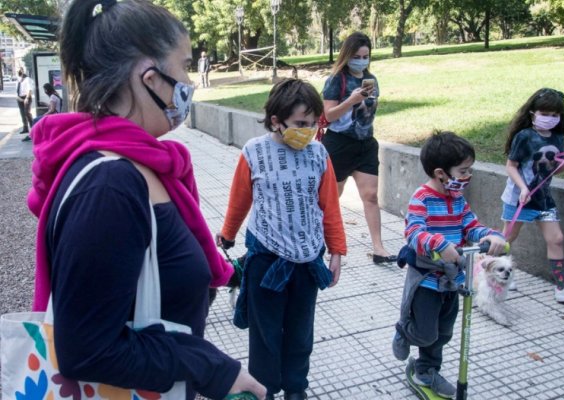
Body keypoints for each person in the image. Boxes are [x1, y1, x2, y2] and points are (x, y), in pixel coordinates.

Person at [26, 0, 266, 398]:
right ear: (149, 78)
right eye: (184, 65)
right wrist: (212, 368)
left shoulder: (138, 163)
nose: (190, 81)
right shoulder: (110, 187)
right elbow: (86, 349)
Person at [217, 78, 347, 400]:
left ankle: (295, 390)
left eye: (313, 123)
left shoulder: (319, 154)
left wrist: (336, 252)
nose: (308, 131)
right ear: (277, 121)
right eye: (301, 124)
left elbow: (329, 206)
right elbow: (239, 200)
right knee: (266, 336)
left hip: (307, 263)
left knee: (300, 335)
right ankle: (265, 391)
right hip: (266, 263)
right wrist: (227, 236)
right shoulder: (254, 153)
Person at [391, 131, 507, 399]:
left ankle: (426, 370)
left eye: (470, 170)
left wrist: (491, 236)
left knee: (443, 332)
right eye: (464, 171)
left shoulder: (458, 200)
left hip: (453, 280)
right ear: (441, 173)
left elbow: (472, 226)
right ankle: (404, 330)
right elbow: (414, 233)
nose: (468, 176)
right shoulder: (422, 199)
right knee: (424, 332)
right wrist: (439, 244)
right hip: (427, 280)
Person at [500, 88, 564, 303]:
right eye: (545, 113)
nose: (550, 119)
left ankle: (562, 287)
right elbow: (511, 166)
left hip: (543, 199)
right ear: (533, 112)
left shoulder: (558, 137)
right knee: (506, 239)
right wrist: (523, 188)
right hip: (519, 198)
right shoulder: (524, 136)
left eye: (555, 115)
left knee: (557, 239)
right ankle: (497, 277)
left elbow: (552, 170)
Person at [321, 32, 395, 265]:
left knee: (371, 196)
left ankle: (378, 248)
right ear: (347, 55)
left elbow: (370, 112)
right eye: (357, 56)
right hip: (339, 144)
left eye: (366, 56)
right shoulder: (336, 80)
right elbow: (328, 116)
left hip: (365, 145)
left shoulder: (371, 79)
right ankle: (325, 244)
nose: (362, 60)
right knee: (331, 198)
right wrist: (351, 101)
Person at [16, 68, 33, 134]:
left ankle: (32, 127)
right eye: (17, 71)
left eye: (19, 71)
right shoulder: (18, 80)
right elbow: (17, 90)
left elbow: (30, 90)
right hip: (19, 98)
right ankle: (25, 128)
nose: (18, 72)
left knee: (27, 113)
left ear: (23, 71)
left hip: (26, 97)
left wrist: (26, 98)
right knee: (22, 114)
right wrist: (17, 97)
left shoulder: (27, 79)